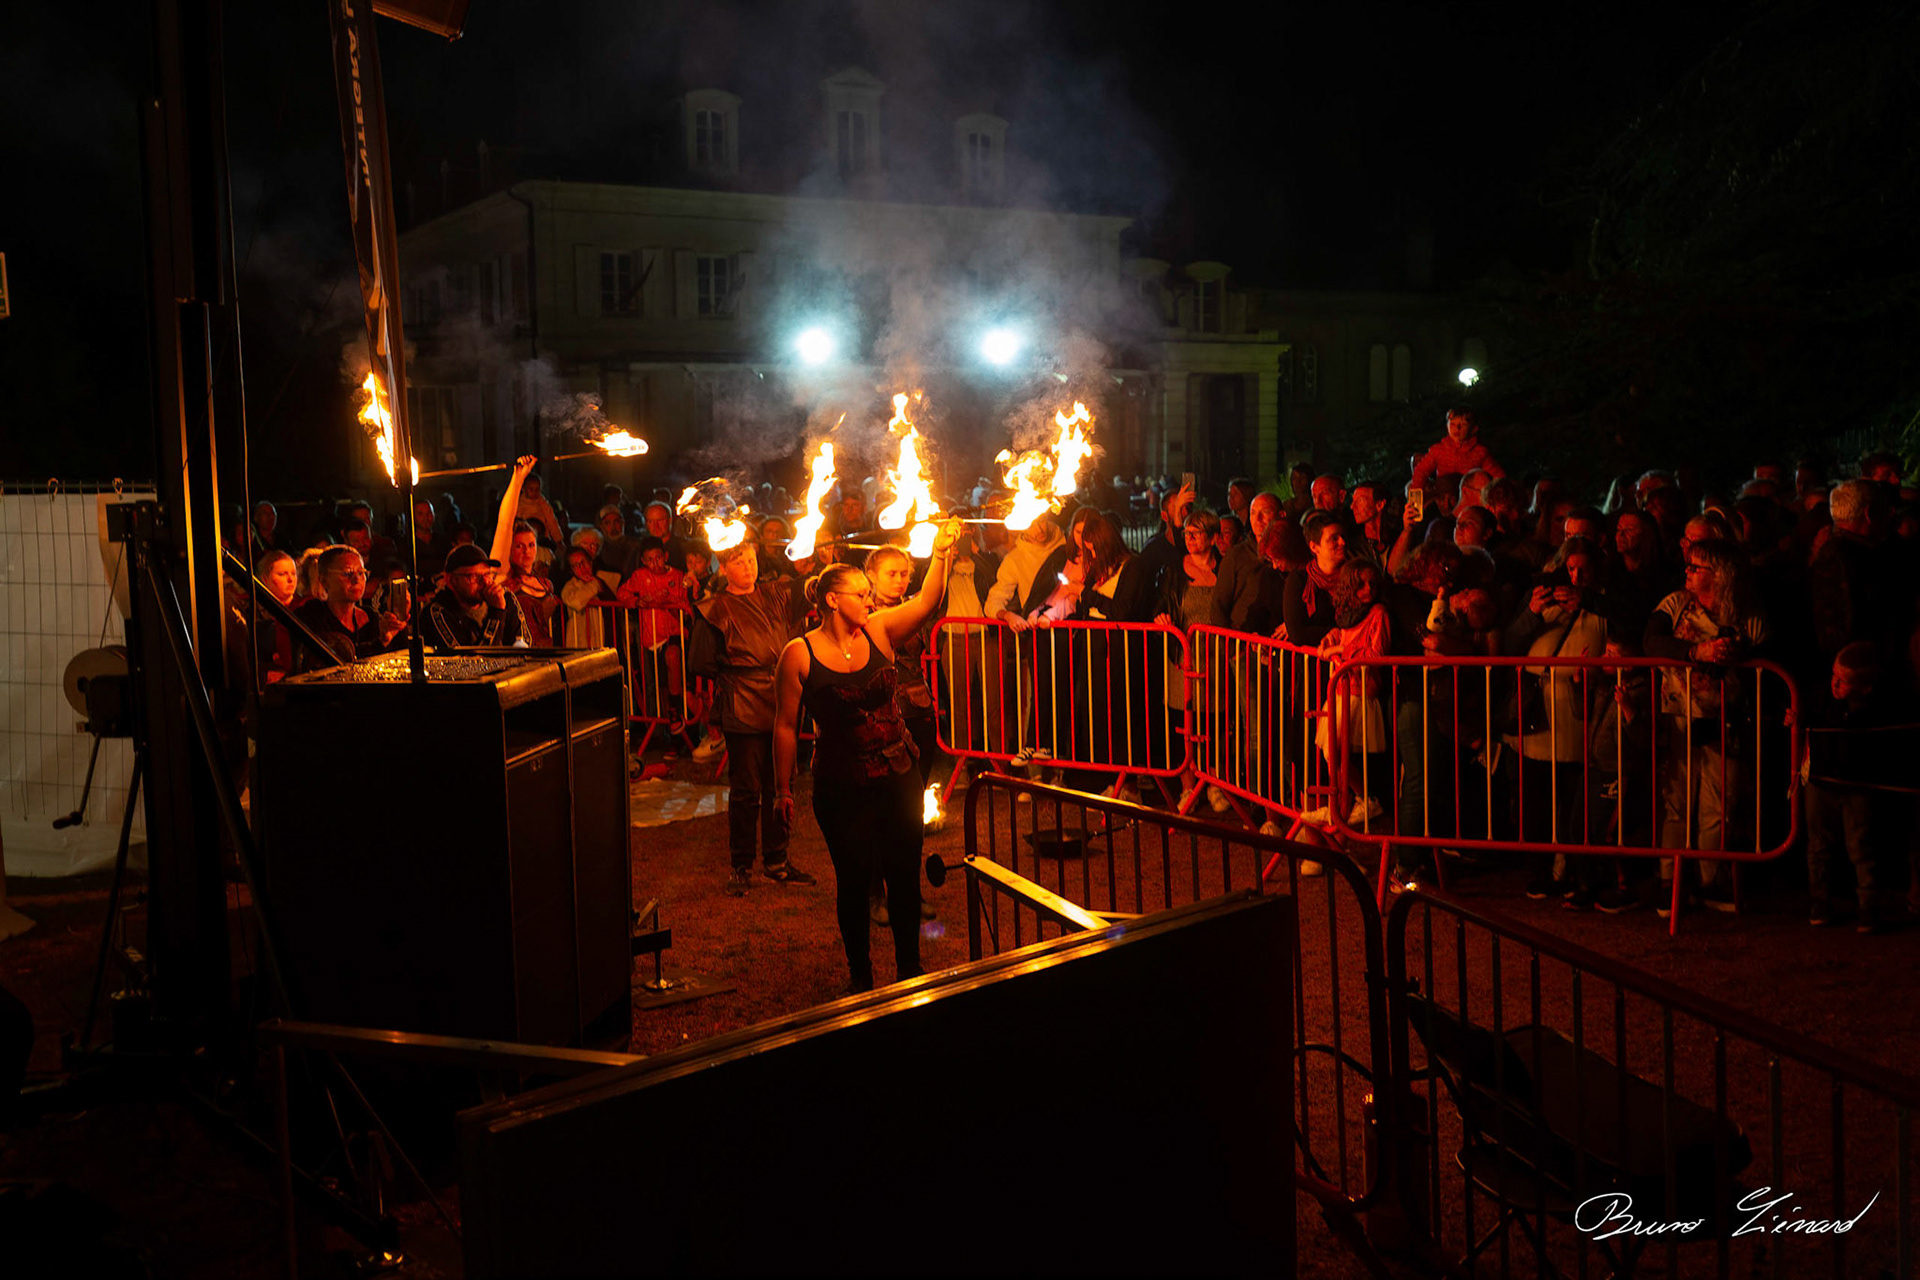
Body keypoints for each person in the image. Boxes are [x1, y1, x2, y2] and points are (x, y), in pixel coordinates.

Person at [771, 520, 964, 992]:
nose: (870, 600)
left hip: (898, 774)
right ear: (832, 599)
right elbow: (783, 726)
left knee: (903, 874)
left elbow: (926, 603)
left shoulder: (879, 630)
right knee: (853, 881)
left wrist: (940, 555)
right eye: (860, 593)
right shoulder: (799, 654)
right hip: (842, 785)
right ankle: (861, 974)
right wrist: (781, 791)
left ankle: (909, 969)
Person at [1644, 537, 1768, 913]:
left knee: (1719, 802)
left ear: (1720, 575)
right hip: (1678, 715)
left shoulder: (1748, 615)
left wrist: (1737, 653)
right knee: (1676, 802)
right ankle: (1672, 880)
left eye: (1696, 567)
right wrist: (1695, 652)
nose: (1688, 572)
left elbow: (1764, 649)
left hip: (1726, 719)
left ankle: (1710, 879)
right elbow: (1651, 641)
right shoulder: (1675, 603)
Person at [703, 539, 814, 893]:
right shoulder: (714, 609)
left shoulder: (778, 593)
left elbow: (814, 589)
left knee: (781, 784)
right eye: (738, 561)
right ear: (723, 568)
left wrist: (817, 560)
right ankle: (741, 865)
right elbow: (703, 663)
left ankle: (777, 860)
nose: (748, 567)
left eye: (750, 559)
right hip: (743, 703)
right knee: (747, 789)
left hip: (782, 700)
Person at [1801, 643, 1904, 932]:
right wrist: (1794, 721)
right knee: (1817, 844)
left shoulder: (1876, 711)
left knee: (1860, 846)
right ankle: (1819, 901)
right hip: (1820, 782)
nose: (1834, 683)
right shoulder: (1821, 697)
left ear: (1865, 688)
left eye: (1843, 681)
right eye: (1833, 675)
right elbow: (1803, 719)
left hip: (1857, 787)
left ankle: (1868, 907)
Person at [295, 546, 408, 662]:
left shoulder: (371, 618)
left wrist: (397, 624)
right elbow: (337, 659)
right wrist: (380, 643)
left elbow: (401, 654)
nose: (356, 580)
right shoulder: (310, 616)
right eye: (347, 573)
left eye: (361, 573)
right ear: (324, 580)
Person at [426, 543, 528, 647]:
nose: (485, 582)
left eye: (488, 574)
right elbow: (473, 661)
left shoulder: (505, 598)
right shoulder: (438, 613)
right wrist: (497, 612)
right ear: (452, 581)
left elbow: (523, 646)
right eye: (474, 576)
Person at [1283, 511, 1348, 649]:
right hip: (1313, 664)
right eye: (1334, 539)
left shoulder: (1354, 574)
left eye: (1342, 536)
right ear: (1314, 547)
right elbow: (1297, 633)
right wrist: (1334, 632)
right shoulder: (1299, 581)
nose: (1342, 542)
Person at [1410, 407, 1504, 492]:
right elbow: (1421, 471)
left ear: (1474, 429)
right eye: (1452, 424)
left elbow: (1499, 477)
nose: (1457, 429)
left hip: (1468, 498)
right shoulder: (1438, 450)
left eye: (1463, 425)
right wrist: (1416, 494)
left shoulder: (1480, 453)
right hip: (1442, 496)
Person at [504, 520, 561, 646]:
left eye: (531, 545)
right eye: (519, 546)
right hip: (522, 648)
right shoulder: (508, 586)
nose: (527, 551)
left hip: (546, 647)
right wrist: (543, 614)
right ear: (510, 549)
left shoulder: (545, 584)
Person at [559, 544, 617, 649]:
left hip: (604, 641)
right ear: (571, 570)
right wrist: (594, 585)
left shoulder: (602, 581)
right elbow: (575, 601)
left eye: (583, 562)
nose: (582, 568)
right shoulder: (570, 587)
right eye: (576, 565)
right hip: (581, 642)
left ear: (590, 563)